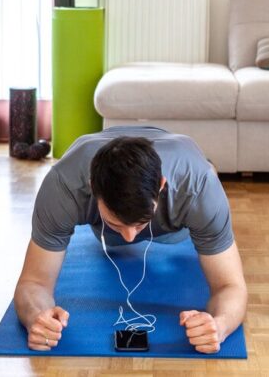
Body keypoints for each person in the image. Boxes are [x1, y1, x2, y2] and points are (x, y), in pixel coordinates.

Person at [14, 126, 247, 354]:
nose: (129, 236)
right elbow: (34, 282)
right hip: (97, 215)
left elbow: (231, 286)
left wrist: (220, 325)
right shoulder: (62, 187)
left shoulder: (199, 187)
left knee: (209, 184)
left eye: (140, 224)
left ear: (161, 186)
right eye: (118, 224)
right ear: (93, 189)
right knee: (115, 237)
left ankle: (208, 167)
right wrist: (37, 317)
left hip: (181, 204)